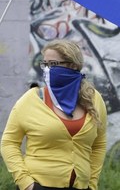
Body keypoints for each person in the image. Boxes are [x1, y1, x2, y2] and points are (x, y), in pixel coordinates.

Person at [1, 39, 107, 190]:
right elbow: (9, 142)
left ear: (72, 66)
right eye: (44, 65)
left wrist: (92, 183)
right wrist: (26, 183)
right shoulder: (31, 99)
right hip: (38, 185)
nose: (47, 70)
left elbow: (99, 144)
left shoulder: (94, 99)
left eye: (53, 64)